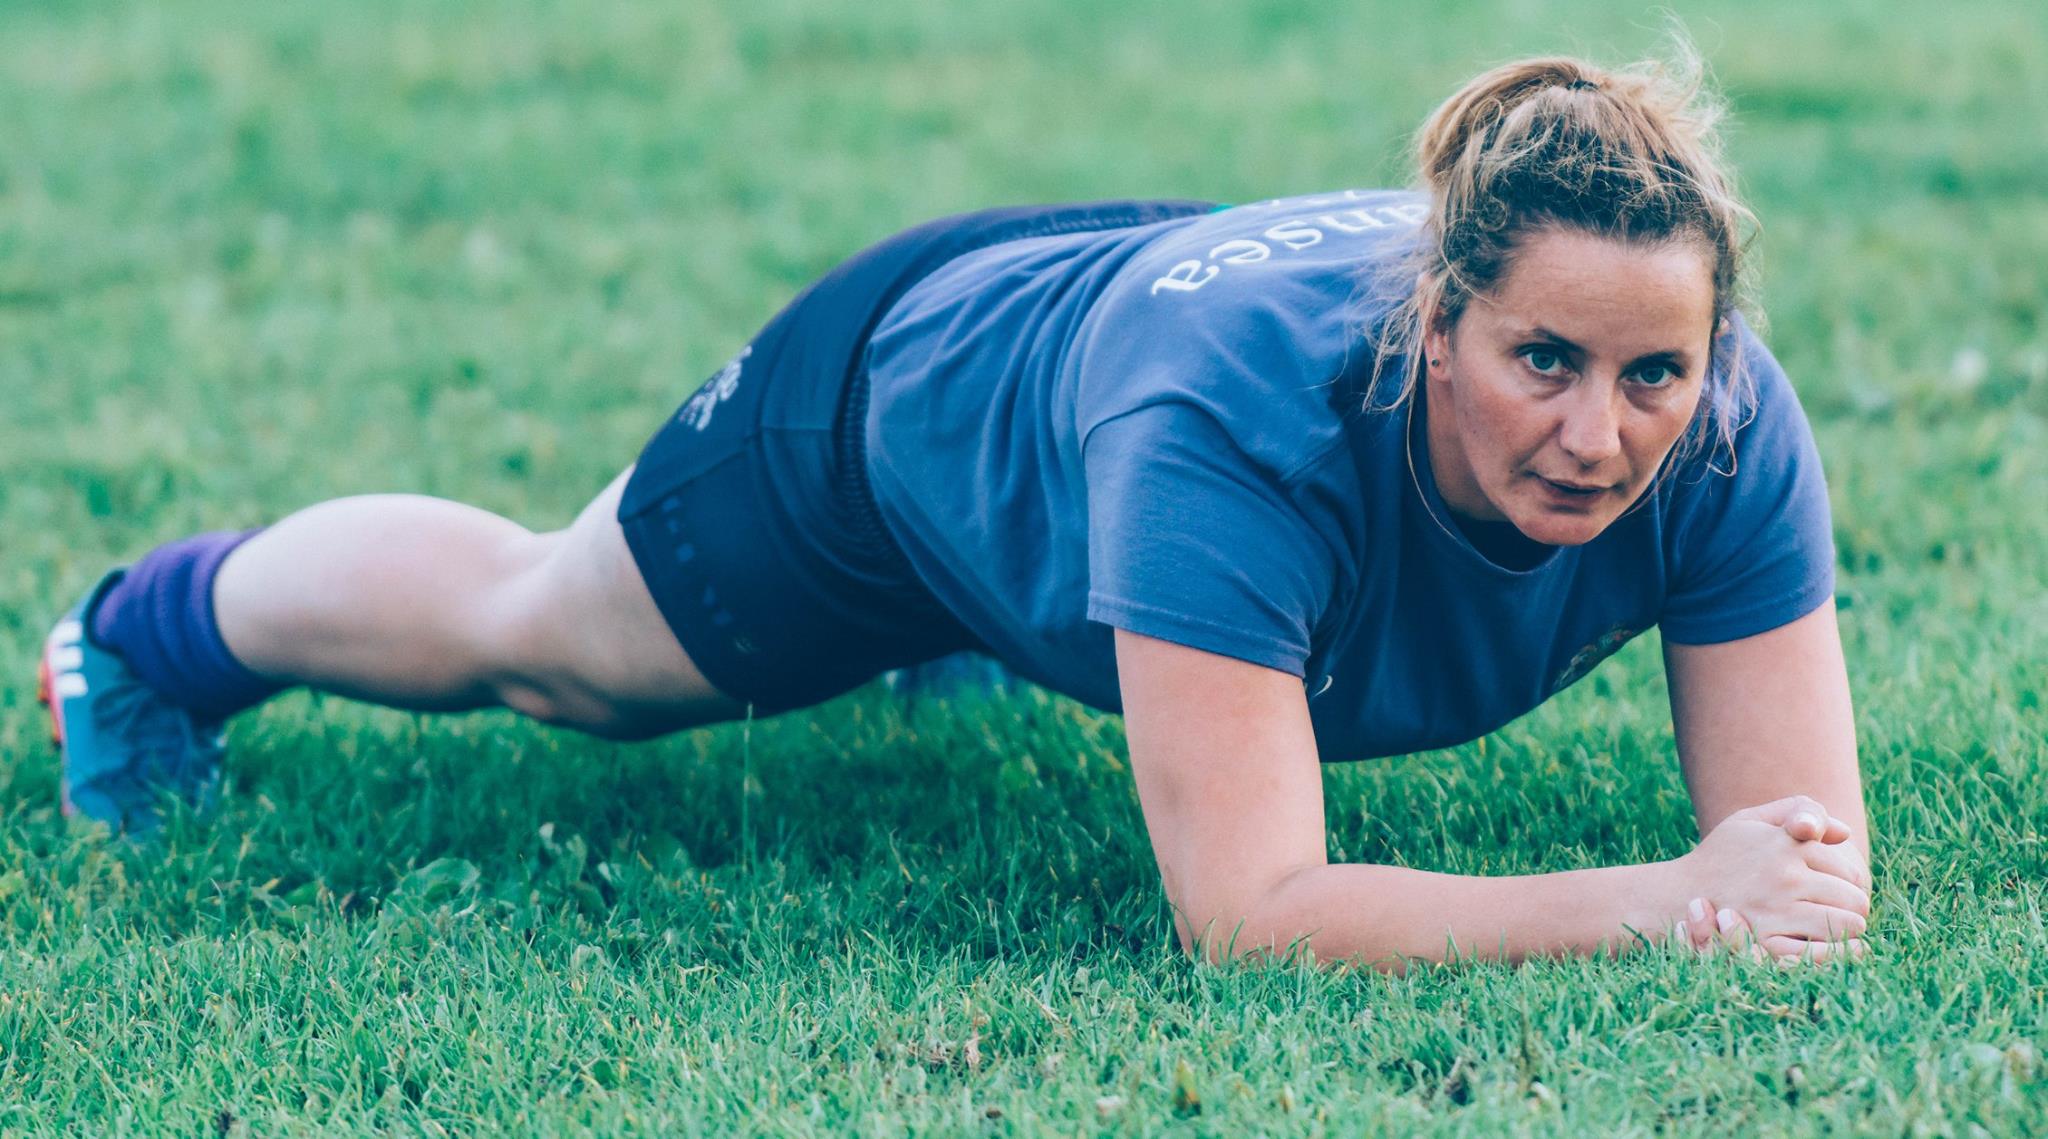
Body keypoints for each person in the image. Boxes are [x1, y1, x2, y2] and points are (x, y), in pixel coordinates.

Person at [40, 47, 1871, 970]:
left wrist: (1761, 884)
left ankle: (1005, 621)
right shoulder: (1239, 433)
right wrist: (1662, 905)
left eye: (1652, 373)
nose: (1601, 431)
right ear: (1432, 316)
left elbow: (1808, 858)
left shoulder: (1727, 427)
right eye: (1542, 360)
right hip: (900, 414)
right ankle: (137, 635)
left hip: (1096, 371)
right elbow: (1251, 914)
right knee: (559, 656)